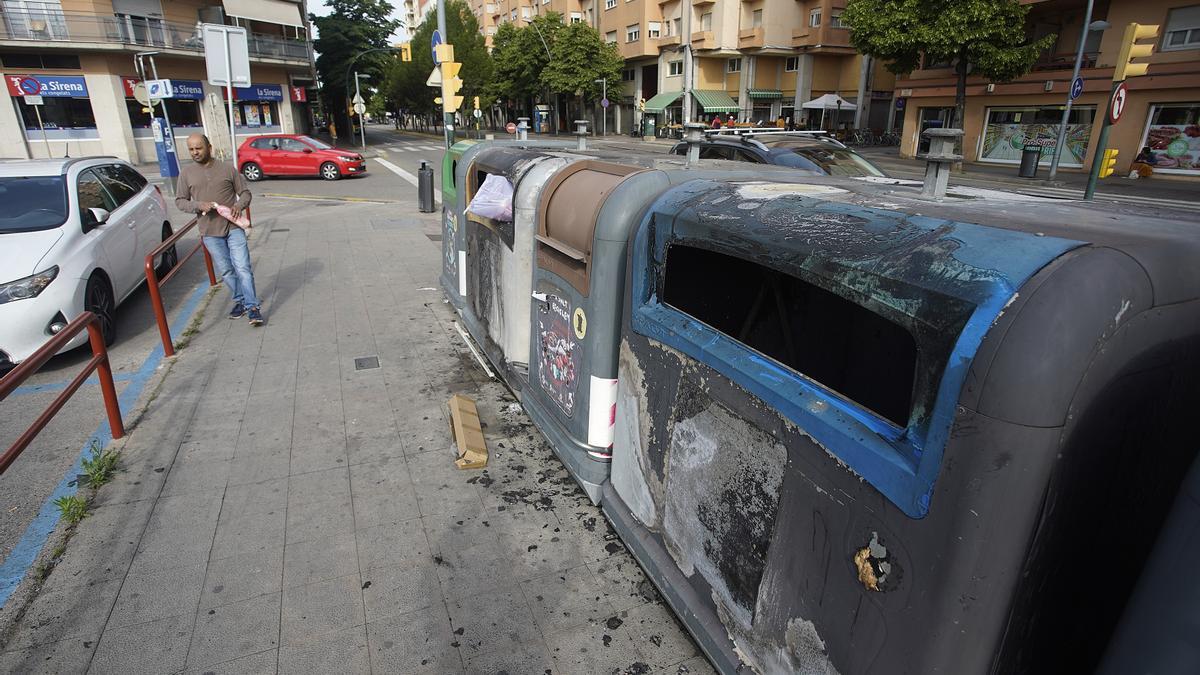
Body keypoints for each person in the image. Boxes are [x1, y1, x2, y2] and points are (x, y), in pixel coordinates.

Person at [176, 133, 264, 326]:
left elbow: (245, 193)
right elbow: (180, 202)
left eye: (198, 148)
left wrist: (239, 206)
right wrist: (199, 205)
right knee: (226, 270)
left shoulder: (227, 169)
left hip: (233, 227)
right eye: (191, 149)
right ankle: (240, 300)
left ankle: (253, 307)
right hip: (209, 232)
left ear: (209, 147)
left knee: (243, 268)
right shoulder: (187, 173)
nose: (195, 152)